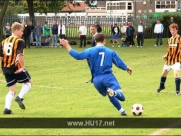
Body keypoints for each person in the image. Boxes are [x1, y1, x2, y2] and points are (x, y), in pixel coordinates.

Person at [60, 33, 132, 116]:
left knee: (109, 93)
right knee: (121, 96)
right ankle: (115, 93)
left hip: (96, 80)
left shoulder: (90, 51)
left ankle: (122, 111)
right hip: (108, 77)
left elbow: (78, 56)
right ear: (104, 41)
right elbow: (118, 63)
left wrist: (67, 45)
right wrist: (126, 68)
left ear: (95, 41)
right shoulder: (110, 51)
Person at [0, 22, 33, 114]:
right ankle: (20, 97)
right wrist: (23, 67)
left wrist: (2, 68)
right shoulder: (20, 41)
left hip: (6, 69)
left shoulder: (3, 42)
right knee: (29, 81)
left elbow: (1, 57)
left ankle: (7, 109)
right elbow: (20, 55)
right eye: (22, 31)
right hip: (16, 68)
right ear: (16, 30)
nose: (22, 33)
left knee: (12, 90)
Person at [156, 23, 181, 96]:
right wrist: (166, 56)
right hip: (169, 60)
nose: (172, 32)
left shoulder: (179, 39)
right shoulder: (169, 40)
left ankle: (177, 91)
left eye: (174, 30)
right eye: (171, 30)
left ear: (177, 30)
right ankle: (161, 87)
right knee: (163, 74)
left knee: (176, 74)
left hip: (177, 60)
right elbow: (169, 51)